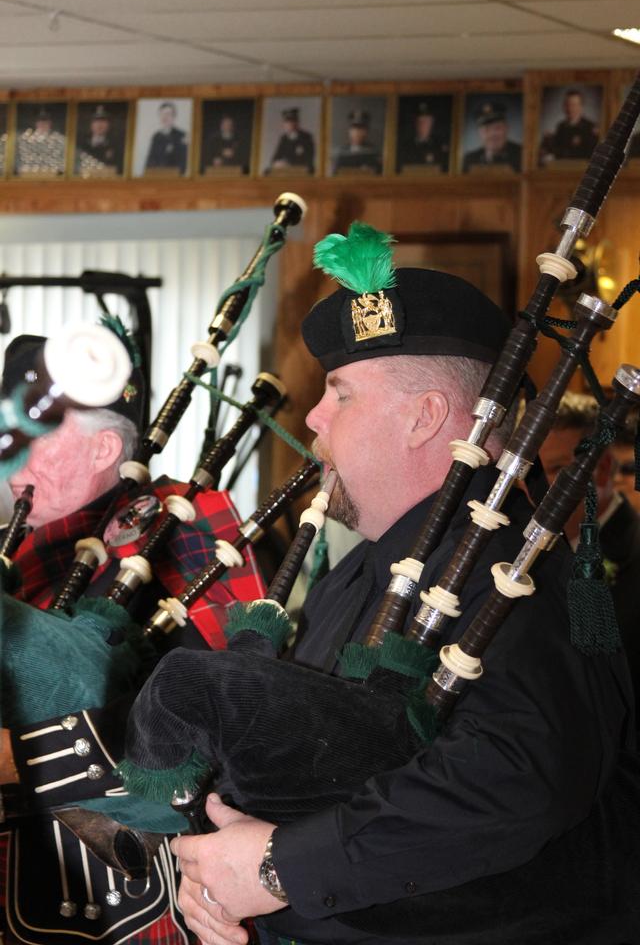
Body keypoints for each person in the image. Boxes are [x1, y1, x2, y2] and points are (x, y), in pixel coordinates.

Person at [161, 226, 634, 944]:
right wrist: (220, 873)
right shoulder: (355, 575)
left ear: (426, 417)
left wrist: (278, 870)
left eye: (341, 395)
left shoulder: (522, 583)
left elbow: (513, 779)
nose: (314, 418)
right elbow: (310, 764)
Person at [0, 332, 265, 944]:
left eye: (37, 437)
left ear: (105, 448)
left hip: (143, 896)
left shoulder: (183, 529)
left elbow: (230, 735)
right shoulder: (31, 544)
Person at [539, 390, 640, 715]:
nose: (538, 488)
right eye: (531, 472)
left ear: (602, 468)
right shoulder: (522, 550)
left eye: (555, 469)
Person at [539, 88, 599, 165]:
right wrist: (549, 140)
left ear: (581, 107)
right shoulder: (561, 126)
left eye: (574, 105)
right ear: (564, 107)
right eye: (568, 104)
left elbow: (589, 155)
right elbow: (555, 150)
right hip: (561, 168)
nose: (571, 108)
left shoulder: (590, 127)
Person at [462, 100, 521, 173]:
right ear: (480, 133)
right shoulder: (469, 159)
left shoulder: (522, 155)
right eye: (486, 129)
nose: (492, 134)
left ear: (506, 128)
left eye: (497, 128)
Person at [396, 100, 449, 173]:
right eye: (420, 121)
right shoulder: (405, 146)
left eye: (426, 121)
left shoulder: (439, 146)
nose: (423, 125)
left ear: (431, 123)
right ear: (416, 124)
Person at [15, 107, 66, 175]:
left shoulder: (59, 140)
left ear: (50, 123)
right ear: (36, 123)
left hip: (53, 176)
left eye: (46, 122)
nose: (43, 125)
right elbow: (18, 161)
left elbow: (62, 162)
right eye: (40, 122)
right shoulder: (24, 140)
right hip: (26, 175)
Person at [75, 105, 124, 175]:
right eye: (96, 121)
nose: (99, 125)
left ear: (109, 124)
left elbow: (119, 170)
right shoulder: (80, 142)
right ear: (91, 124)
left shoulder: (117, 144)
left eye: (103, 121)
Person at [266, 108, 315, 175]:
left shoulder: (306, 137)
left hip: (301, 171)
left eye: (292, 122)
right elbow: (275, 157)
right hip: (286, 171)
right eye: (286, 122)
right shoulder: (283, 138)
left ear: (297, 123)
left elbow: (308, 160)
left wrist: (288, 164)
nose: (289, 125)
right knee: (267, 172)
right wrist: (277, 163)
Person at [144, 101, 188, 175]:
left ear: (174, 116)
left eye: (168, 114)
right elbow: (150, 161)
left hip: (174, 178)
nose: (165, 117)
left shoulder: (181, 135)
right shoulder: (156, 136)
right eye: (162, 114)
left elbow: (183, 162)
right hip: (156, 177)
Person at [333, 110, 382, 175]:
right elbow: (335, 175)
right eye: (354, 128)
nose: (357, 132)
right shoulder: (341, 152)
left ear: (366, 131)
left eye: (361, 129)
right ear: (349, 131)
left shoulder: (374, 152)